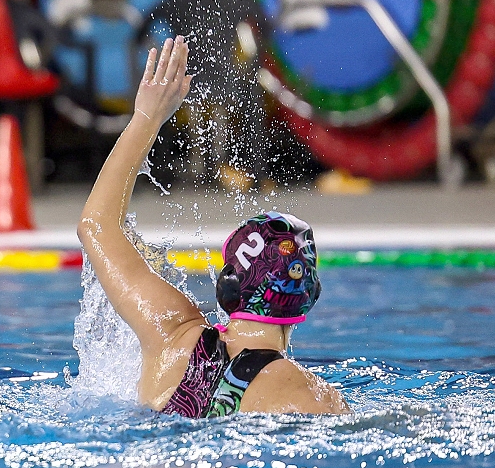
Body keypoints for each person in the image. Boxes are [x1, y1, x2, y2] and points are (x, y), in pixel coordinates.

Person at [77, 36, 349, 417]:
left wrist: (146, 117)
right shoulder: (315, 398)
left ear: (228, 288)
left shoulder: (171, 333)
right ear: (310, 295)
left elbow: (97, 226)